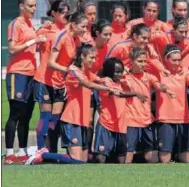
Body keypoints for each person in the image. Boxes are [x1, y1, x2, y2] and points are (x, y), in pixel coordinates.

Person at [25, 44, 119, 165]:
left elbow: (97, 79)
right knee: (77, 162)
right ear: (82, 56)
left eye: (95, 57)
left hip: (82, 122)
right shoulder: (74, 71)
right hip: (72, 121)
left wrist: (105, 79)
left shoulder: (86, 72)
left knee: (83, 161)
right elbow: (89, 84)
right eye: (91, 57)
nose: (94, 60)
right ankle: (42, 154)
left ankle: (45, 155)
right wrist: (107, 89)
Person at [4, 0, 47, 164]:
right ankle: (8, 153)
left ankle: (21, 151)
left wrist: (40, 33)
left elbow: (31, 45)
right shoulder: (15, 24)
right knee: (16, 112)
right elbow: (13, 49)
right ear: (22, 6)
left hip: (31, 74)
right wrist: (34, 40)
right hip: (18, 73)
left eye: (35, 6)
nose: (34, 9)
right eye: (30, 6)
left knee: (27, 114)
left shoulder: (30, 25)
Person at [123, 47, 175, 163]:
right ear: (131, 61)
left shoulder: (149, 77)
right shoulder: (125, 77)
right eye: (140, 61)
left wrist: (166, 89)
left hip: (147, 121)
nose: (143, 64)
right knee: (128, 156)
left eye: (145, 61)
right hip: (130, 121)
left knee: (151, 157)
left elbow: (158, 85)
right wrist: (123, 70)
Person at [46, 12, 88, 152]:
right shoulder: (62, 37)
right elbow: (51, 63)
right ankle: (48, 151)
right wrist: (67, 69)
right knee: (55, 117)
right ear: (74, 25)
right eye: (83, 26)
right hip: (56, 83)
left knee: (66, 117)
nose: (85, 30)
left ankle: (66, 149)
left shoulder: (77, 40)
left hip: (67, 83)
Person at [156, 45, 189, 163]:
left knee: (186, 158)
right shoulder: (159, 72)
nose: (177, 63)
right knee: (165, 158)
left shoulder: (184, 71)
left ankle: (177, 158)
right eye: (174, 60)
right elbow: (150, 60)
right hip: (165, 118)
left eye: (179, 60)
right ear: (166, 59)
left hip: (183, 118)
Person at [93, 58, 148, 164]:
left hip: (121, 126)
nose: (120, 74)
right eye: (117, 71)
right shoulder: (105, 82)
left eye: (121, 71)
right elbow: (119, 94)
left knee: (121, 159)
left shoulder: (122, 83)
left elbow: (127, 86)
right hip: (106, 125)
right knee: (100, 158)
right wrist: (136, 93)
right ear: (109, 71)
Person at [34, 0, 70, 152]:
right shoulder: (45, 30)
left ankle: (52, 151)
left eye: (66, 13)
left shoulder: (69, 31)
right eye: (62, 13)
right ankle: (41, 150)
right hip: (44, 79)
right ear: (54, 13)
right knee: (45, 116)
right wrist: (40, 31)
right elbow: (35, 48)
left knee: (55, 118)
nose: (65, 16)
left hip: (60, 81)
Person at [87, 19, 113, 154]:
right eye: (106, 34)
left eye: (110, 35)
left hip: (97, 86)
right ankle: (86, 150)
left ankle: (97, 149)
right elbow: (82, 70)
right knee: (89, 119)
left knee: (102, 117)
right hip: (85, 86)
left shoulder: (107, 48)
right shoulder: (88, 47)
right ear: (97, 33)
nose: (108, 38)